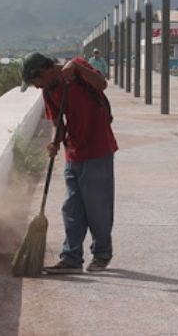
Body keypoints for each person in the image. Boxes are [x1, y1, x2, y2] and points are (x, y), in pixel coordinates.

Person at [21, 52, 118, 274]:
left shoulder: (78, 69)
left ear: (43, 72)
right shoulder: (48, 91)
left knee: (98, 207)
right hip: (73, 152)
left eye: (35, 81)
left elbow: (101, 85)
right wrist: (54, 143)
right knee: (72, 207)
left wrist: (77, 67)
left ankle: (102, 254)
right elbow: (59, 123)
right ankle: (72, 258)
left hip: (98, 148)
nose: (36, 87)